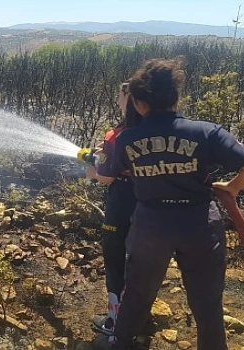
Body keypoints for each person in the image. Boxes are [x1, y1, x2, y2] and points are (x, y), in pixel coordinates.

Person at [94, 58, 244, 350]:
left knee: (136, 296)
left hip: (150, 226)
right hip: (198, 224)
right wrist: (232, 187)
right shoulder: (205, 131)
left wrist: (100, 157)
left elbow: (105, 174)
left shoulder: (128, 138)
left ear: (138, 103)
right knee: (207, 301)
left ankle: (120, 344)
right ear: (176, 97)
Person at [85, 81, 142, 336]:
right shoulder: (152, 128)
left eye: (120, 93)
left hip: (122, 204)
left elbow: (106, 177)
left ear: (128, 98)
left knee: (115, 258)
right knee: (140, 262)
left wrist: (92, 167)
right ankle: (139, 315)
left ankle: (114, 322)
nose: (117, 97)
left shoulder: (118, 134)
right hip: (150, 207)